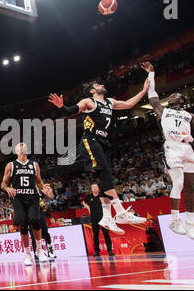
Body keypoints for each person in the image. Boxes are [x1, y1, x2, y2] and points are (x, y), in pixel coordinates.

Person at [48, 79, 149, 235]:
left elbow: (129, 104)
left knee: (104, 180)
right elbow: (71, 110)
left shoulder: (109, 102)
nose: (102, 85)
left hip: (103, 142)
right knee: (106, 175)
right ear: (92, 91)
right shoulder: (89, 101)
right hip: (90, 141)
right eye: (98, 85)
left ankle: (107, 217)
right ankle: (120, 212)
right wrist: (62, 106)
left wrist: (144, 90)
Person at [142, 62, 194, 241]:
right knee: (177, 184)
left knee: (190, 189)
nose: (170, 97)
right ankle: (174, 220)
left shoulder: (190, 115)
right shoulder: (162, 111)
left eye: (173, 96)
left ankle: (190, 224)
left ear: (180, 101)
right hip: (172, 147)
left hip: (188, 148)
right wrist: (152, 74)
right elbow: (152, 95)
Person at [1, 142, 53, 265]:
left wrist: (43, 188)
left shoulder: (34, 165)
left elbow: (39, 182)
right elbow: (3, 184)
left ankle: (39, 250)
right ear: (16, 151)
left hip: (32, 196)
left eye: (23, 145)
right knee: (23, 223)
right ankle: (27, 253)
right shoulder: (11, 165)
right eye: (19, 145)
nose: (22, 145)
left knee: (36, 219)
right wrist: (8, 188)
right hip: (18, 198)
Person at [82, 184, 114, 257]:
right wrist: (88, 208)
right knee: (95, 235)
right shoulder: (89, 197)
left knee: (106, 234)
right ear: (91, 189)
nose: (94, 188)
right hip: (93, 218)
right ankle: (97, 251)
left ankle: (110, 250)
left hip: (103, 218)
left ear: (98, 188)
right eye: (93, 187)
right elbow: (84, 202)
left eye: (95, 187)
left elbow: (110, 200)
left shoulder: (102, 195)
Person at [30, 187, 57, 260]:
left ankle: (50, 249)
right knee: (33, 235)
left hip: (39, 211)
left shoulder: (36, 188)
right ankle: (37, 252)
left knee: (45, 232)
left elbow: (43, 203)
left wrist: (50, 216)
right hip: (29, 214)